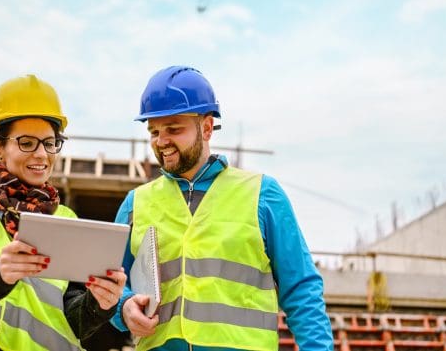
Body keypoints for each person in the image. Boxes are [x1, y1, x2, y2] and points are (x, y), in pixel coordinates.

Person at [110, 66, 334, 351]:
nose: (161, 141)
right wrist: (123, 307)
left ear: (206, 127)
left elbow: (302, 290)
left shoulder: (263, 195)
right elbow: (111, 286)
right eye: (153, 131)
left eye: (173, 129)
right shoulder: (135, 204)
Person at [0, 74, 127, 351]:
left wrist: (100, 303)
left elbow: (74, 322)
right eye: (27, 143)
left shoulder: (66, 219)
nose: (42, 154)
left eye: (50, 143)